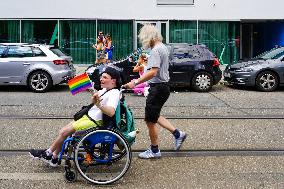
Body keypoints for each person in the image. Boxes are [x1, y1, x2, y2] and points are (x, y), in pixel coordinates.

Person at [29, 67, 121, 167]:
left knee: (64, 132)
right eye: (101, 77)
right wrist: (90, 88)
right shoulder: (105, 89)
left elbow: (111, 112)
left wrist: (99, 105)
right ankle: (54, 157)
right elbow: (96, 96)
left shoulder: (114, 93)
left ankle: (48, 153)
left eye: (105, 77)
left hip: (94, 121)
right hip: (89, 117)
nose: (101, 79)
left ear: (113, 81)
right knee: (63, 131)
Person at [124, 24, 187, 159]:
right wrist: (149, 61)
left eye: (143, 39)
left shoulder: (155, 51)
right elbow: (157, 66)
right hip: (163, 87)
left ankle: (154, 150)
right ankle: (178, 134)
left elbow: (153, 72)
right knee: (155, 116)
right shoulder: (162, 47)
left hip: (157, 88)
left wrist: (135, 83)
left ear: (149, 37)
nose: (143, 42)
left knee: (149, 120)